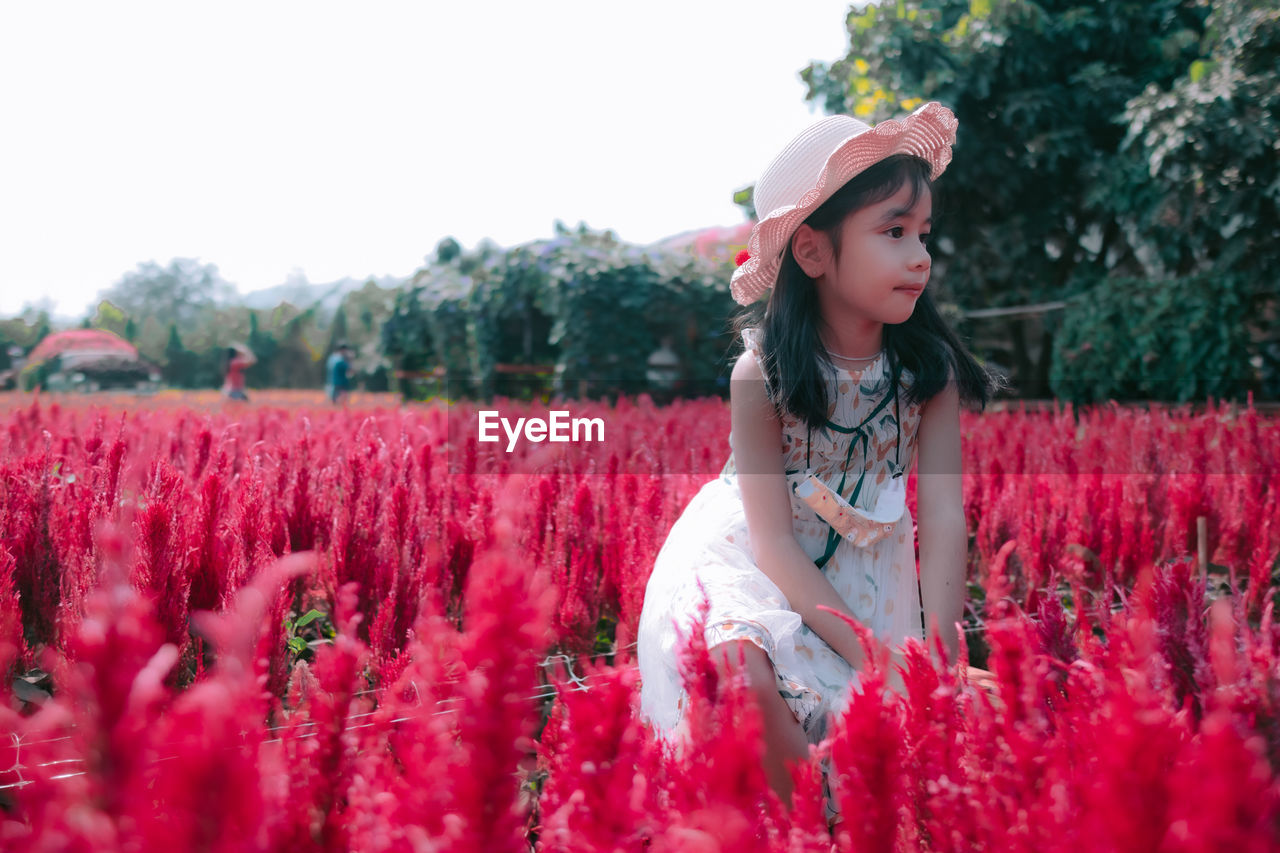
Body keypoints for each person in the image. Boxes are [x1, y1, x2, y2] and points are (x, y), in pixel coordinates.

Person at [636, 102, 999, 806]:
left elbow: (946, 520)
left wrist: (940, 663)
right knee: (738, 668)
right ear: (812, 251)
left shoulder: (929, 376)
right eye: (893, 231)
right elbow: (773, 543)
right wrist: (875, 656)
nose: (920, 254)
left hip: (867, 583)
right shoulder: (762, 376)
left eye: (924, 232)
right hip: (759, 567)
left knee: (884, 748)